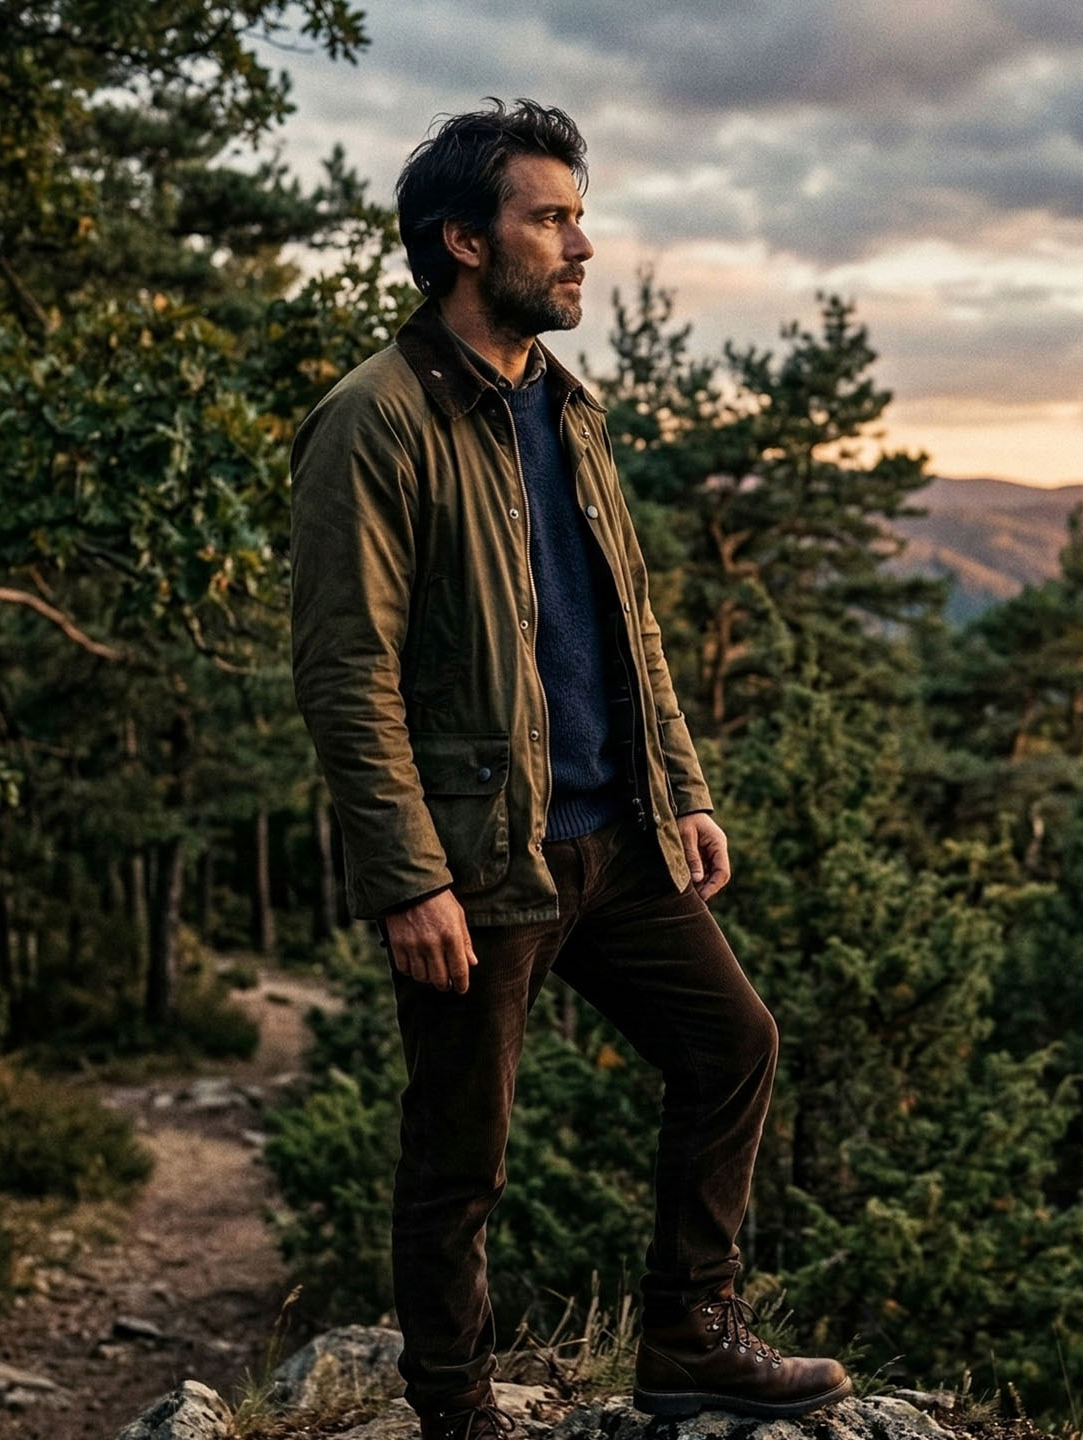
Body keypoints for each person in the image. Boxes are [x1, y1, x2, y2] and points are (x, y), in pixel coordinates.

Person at [287, 98, 852, 1440]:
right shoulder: (374, 421)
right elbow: (345, 672)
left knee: (734, 1045)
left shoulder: (568, 408)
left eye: (577, 215)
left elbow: (627, 625)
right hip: (482, 859)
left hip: (615, 837)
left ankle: (689, 1340)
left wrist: (685, 792)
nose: (581, 244)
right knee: (460, 1154)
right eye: (550, 218)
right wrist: (408, 875)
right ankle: (455, 1409)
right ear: (463, 243)